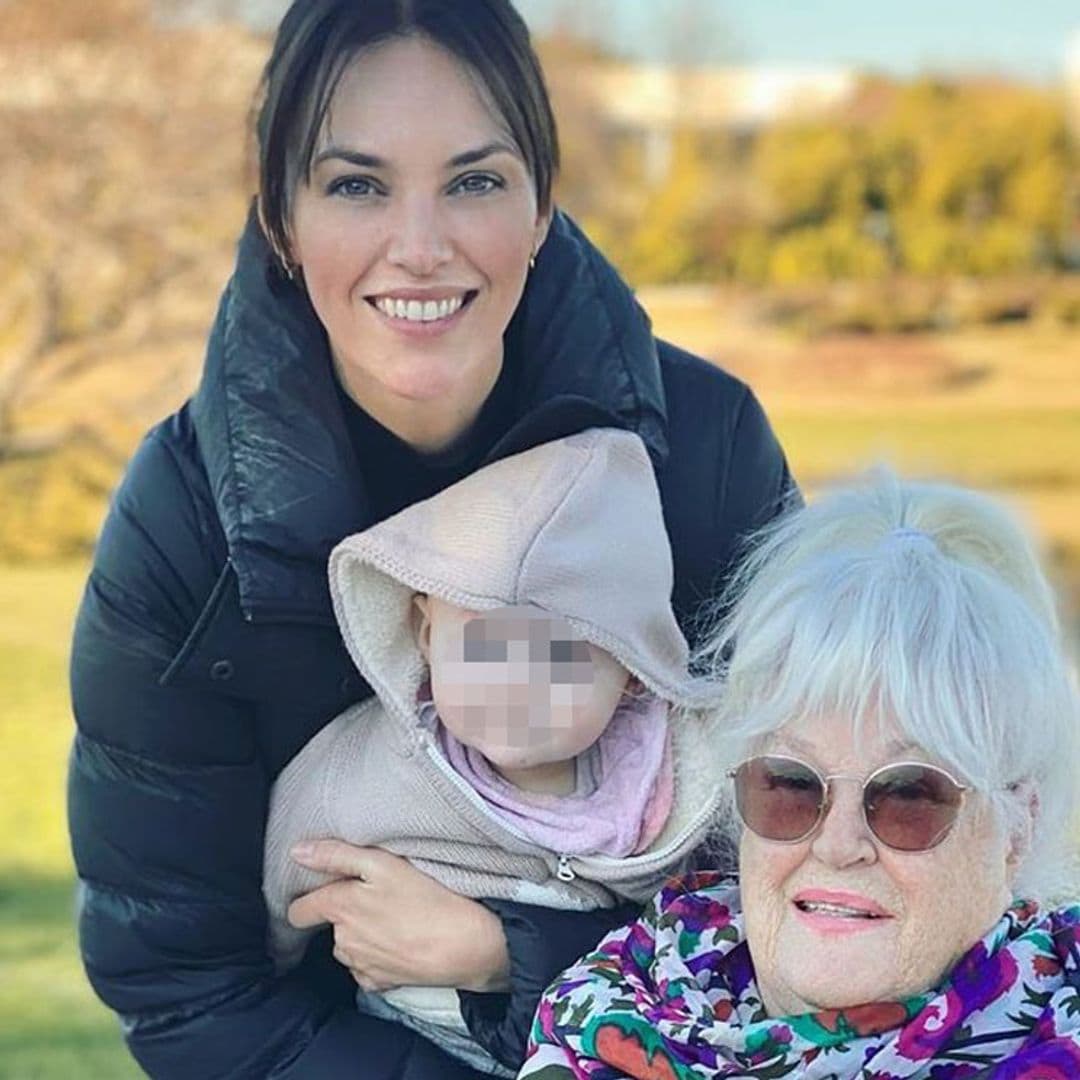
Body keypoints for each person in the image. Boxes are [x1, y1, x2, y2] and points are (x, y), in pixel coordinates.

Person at [66, 1, 793, 1076]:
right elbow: (183, 988)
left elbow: (822, 873)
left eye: (475, 181)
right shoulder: (182, 525)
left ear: (543, 206)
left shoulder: (706, 453)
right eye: (356, 184)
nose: (420, 247)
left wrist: (516, 953)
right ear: (281, 216)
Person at [521, 471, 1080, 1079]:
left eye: (909, 794)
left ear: (1018, 828)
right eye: (791, 784)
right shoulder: (606, 1013)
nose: (838, 847)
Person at [263, 428, 724, 1077]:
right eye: (484, 643)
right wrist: (276, 958)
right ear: (426, 632)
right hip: (411, 1047)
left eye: (563, 650)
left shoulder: (677, 789)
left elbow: (720, 931)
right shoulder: (365, 769)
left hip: (610, 1050)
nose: (517, 681)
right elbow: (282, 883)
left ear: (631, 668)